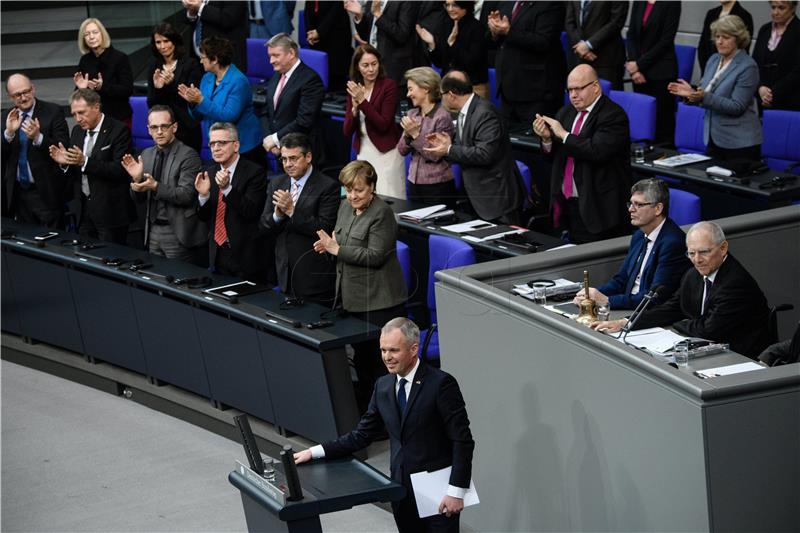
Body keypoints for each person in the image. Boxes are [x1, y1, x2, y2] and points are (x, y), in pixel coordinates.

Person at [294, 317, 475, 533]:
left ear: (413, 349)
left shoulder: (441, 384)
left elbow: (462, 441)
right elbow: (361, 435)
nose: (387, 357)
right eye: (383, 350)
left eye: (394, 350)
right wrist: (315, 452)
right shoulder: (383, 385)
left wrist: (456, 491)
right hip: (400, 490)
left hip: (438, 492)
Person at [592, 221, 772, 360]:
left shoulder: (735, 283)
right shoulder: (693, 275)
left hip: (741, 358)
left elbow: (708, 330)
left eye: (703, 252)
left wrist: (679, 323)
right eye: (691, 253)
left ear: (723, 248)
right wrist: (626, 323)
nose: (697, 260)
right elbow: (672, 308)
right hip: (710, 350)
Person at [313, 160, 407, 410]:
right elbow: (339, 243)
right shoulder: (345, 207)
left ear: (372, 188)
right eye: (349, 189)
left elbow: (375, 256)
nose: (353, 195)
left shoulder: (381, 214)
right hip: (351, 299)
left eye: (359, 190)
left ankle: (387, 421)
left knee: (379, 368)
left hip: (379, 302)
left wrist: (337, 249)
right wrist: (329, 248)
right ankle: (369, 416)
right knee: (363, 364)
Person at [532, 64, 630, 243]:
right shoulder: (566, 112)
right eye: (570, 90)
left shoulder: (613, 115)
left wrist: (563, 135)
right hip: (567, 204)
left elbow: (596, 151)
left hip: (598, 208)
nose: (573, 95)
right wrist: (546, 139)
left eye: (578, 89)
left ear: (595, 87)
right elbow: (553, 157)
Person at [573, 179, 690, 310]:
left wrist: (607, 300)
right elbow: (621, 280)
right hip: (628, 305)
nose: (630, 209)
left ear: (658, 208)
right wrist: (592, 295)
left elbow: (655, 297)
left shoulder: (673, 243)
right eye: (631, 203)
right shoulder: (639, 235)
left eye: (638, 205)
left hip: (645, 312)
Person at [424, 70, 523, 224]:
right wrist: (447, 145)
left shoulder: (484, 113)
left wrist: (449, 149)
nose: (441, 98)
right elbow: (467, 147)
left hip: (496, 199)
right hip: (477, 197)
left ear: (451, 94)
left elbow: (484, 154)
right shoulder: (467, 111)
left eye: (442, 94)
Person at [668, 15, 762, 162]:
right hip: (713, 138)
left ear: (738, 38)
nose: (719, 41)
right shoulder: (713, 59)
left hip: (739, 144)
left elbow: (737, 106)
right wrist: (691, 94)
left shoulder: (748, 66)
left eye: (725, 37)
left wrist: (702, 96)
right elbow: (704, 95)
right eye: (717, 36)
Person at [259, 133, 338, 304]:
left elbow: (324, 228)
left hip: (314, 278)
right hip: (284, 274)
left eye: (293, 158)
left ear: (308, 157)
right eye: (284, 159)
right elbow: (264, 226)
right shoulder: (276, 183)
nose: (288, 164)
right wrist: (277, 216)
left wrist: (292, 211)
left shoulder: (327, 186)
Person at [49, 89, 135, 245]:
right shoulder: (77, 132)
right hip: (84, 211)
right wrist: (64, 163)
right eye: (74, 114)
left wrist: (85, 162)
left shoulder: (119, 130)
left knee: (109, 260)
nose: (77, 119)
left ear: (96, 107)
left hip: (110, 213)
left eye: (81, 112)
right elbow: (75, 169)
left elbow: (120, 170)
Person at [121, 105, 206, 263]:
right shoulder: (146, 154)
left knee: (180, 281)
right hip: (152, 230)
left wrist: (155, 186)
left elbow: (186, 195)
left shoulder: (189, 155)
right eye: (154, 127)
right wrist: (137, 180)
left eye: (164, 126)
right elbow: (138, 200)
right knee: (156, 279)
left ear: (174, 127)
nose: (159, 131)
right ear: (148, 130)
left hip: (177, 232)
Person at [195, 122, 267, 281]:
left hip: (245, 256)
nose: (216, 148)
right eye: (212, 143)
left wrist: (227, 189)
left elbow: (251, 212)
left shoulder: (255, 172)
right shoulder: (209, 171)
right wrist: (203, 196)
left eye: (221, 143)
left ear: (236, 145)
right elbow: (204, 217)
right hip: (218, 253)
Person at [178, 36, 265, 168]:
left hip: (244, 147)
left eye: (203, 57)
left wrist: (201, 100)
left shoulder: (238, 81)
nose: (200, 61)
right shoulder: (207, 78)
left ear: (215, 60)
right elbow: (199, 116)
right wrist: (192, 103)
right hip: (218, 145)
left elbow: (229, 115)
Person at [2, 73, 70, 227]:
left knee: (52, 244)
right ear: (10, 96)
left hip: (45, 192)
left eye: (26, 92)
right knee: (24, 243)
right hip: (17, 193)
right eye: (17, 95)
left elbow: (63, 147)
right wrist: (9, 134)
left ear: (33, 89)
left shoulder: (53, 111)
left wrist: (38, 137)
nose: (23, 98)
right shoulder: (5, 117)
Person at [487, 1, 566, 126]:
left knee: (535, 142)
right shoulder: (505, 3)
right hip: (508, 89)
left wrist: (508, 31)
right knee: (507, 141)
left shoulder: (550, 4)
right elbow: (494, 42)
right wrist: (495, 31)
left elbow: (544, 41)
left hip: (536, 93)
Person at [343, 44, 405, 199]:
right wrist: (354, 111)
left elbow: (383, 124)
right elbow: (347, 131)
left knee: (389, 200)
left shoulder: (388, 86)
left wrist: (362, 102)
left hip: (386, 153)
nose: (371, 69)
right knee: (365, 200)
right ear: (357, 67)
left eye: (374, 64)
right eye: (365, 65)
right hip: (364, 152)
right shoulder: (354, 88)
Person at [260, 33, 325, 165]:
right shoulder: (276, 76)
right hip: (281, 152)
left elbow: (304, 120)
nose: (271, 61)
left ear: (291, 53)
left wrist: (275, 138)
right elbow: (267, 111)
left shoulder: (310, 79)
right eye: (270, 56)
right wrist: (271, 141)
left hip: (302, 154)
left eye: (276, 55)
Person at [397, 67, 457, 207]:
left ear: (426, 88)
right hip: (413, 182)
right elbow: (401, 150)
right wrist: (407, 135)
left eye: (411, 89)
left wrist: (415, 135)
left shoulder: (442, 117)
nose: (408, 94)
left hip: (438, 186)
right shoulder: (412, 114)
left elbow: (435, 155)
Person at [625, 1, 681, 145]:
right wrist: (634, 67)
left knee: (662, 122)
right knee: (643, 121)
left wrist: (639, 65)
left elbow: (666, 40)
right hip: (638, 74)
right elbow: (631, 34)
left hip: (662, 72)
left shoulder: (672, 3)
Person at [147, 23, 204, 153]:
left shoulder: (191, 64)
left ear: (174, 41)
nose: (162, 46)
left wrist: (171, 85)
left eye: (166, 41)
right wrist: (158, 88)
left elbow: (191, 100)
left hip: (187, 128)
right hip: (164, 130)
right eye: (158, 42)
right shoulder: (154, 66)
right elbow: (151, 104)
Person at [415, 1, 490, 99]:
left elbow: (472, 63)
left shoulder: (478, 28)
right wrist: (432, 44)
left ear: (465, 5)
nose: (450, 9)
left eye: (455, 5)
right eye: (447, 5)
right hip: (448, 87)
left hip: (473, 88)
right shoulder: (445, 26)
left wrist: (453, 44)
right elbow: (440, 63)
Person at [74, 18, 133, 127]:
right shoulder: (85, 60)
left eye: (95, 32)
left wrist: (102, 87)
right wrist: (81, 89)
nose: (91, 37)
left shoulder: (120, 58)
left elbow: (127, 89)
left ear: (102, 34)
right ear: (83, 39)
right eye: (87, 34)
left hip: (118, 118)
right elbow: (79, 99)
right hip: (94, 120)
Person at [348, 0, 422, 87]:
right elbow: (366, 36)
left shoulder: (407, 2)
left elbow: (402, 35)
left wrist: (379, 15)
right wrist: (359, 15)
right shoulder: (371, 1)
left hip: (394, 67)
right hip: (372, 64)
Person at [564, 0, 629, 90]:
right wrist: (581, 46)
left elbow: (616, 22)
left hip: (606, 60)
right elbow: (569, 22)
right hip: (579, 59)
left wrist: (589, 45)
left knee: (607, 100)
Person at [752, 1, 800, 111]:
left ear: (793, 8)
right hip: (763, 99)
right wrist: (760, 88)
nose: (775, 12)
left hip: (790, 101)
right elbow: (754, 63)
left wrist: (772, 93)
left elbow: (798, 70)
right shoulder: (764, 30)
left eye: (781, 8)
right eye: (773, 7)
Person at [183, 0, 249, 73]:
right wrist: (192, 11)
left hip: (223, 59)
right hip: (199, 58)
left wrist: (200, 7)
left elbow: (228, 18)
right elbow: (192, 20)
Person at [304, 1, 352, 92]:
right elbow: (308, 10)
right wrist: (309, 32)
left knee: (336, 72)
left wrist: (319, 32)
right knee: (318, 76)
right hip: (316, 35)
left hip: (336, 33)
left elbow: (336, 10)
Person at [697, 1, 754, 73]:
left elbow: (743, 48)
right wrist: (707, 73)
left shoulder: (744, 15)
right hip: (708, 70)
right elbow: (702, 46)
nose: (719, 41)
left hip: (732, 72)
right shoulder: (711, 13)